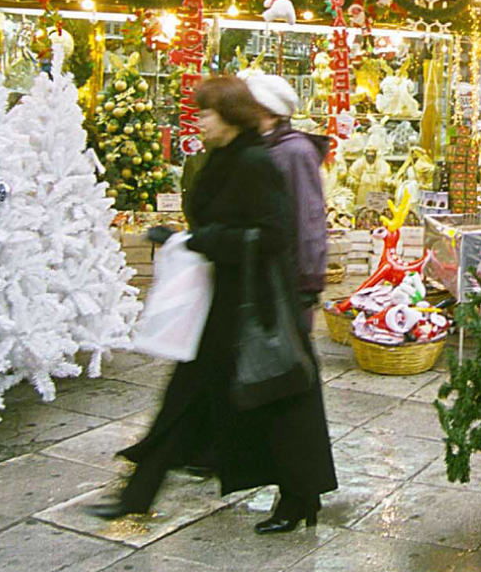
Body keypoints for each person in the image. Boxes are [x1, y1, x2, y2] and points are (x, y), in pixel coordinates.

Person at [85, 77, 337, 534]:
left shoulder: (257, 160)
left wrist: (196, 239)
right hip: (220, 299)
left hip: (254, 305)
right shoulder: (221, 157)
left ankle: (300, 497)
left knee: (277, 403)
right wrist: (189, 237)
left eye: (207, 113)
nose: (198, 121)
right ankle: (136, 494)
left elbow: (273, 234)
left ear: (231, 117)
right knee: (187, 399)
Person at [244, 74, 330, 326]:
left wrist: (308, 281)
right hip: (268, 274)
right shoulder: (263, 146)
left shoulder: (295, 151)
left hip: (288, 277)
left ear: (269, 112)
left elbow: (309, 217)